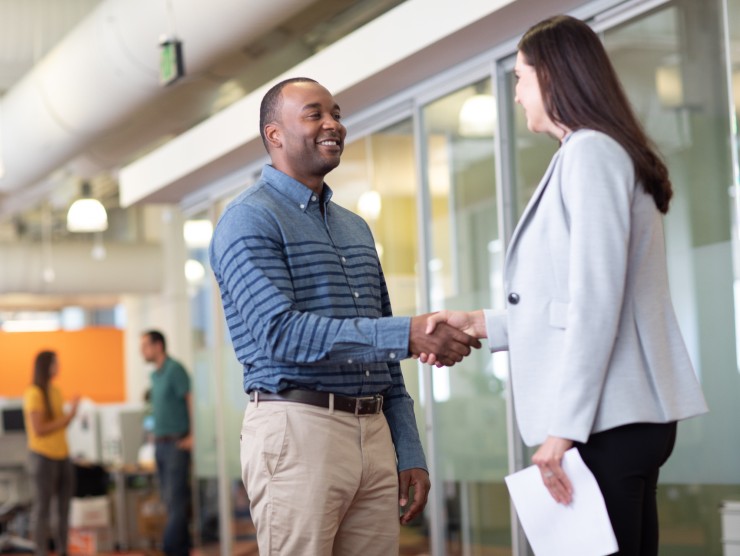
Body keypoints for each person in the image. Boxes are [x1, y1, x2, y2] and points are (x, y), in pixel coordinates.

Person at [423, 15, 708, 555]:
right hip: (621, 418)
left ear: (551, 77)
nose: (516, 96)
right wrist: (481, 323)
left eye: (519, 79)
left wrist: (564, 429)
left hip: (607, 421)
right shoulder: (594, 152)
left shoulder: (590, 153)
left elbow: (597, 300)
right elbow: (570, 301)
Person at [208, 76, 481, 556]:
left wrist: (407, 448)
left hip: (372, 431)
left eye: (335, 113)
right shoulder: (248, 219)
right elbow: (281, 334)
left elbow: (385, 355)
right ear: (274, 134)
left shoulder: (354, 228)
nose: (333, 124)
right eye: (314, 114)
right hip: (297, 429)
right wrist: (410, 333)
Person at [140, 330, 192, 556]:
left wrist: (194, 435)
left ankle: (169, 550)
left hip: (176, 444)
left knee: (176, 501)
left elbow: (191, 399)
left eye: (145, 346)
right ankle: (182, 549)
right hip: (160, 445)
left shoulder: (174, 370)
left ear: (158, 345)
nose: (142, 351)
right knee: (169, 502)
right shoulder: (155, 375)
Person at [22, 350, 79, 556]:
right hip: (42, 456)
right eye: (56, 363)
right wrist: (68, 416)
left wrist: (72, 414)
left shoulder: (55, 391)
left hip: (62, 455)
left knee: (63, 510)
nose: (58, 367)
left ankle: (63, 550)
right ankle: (40, 551)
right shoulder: (34, 393)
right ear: (46, 366)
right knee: (42, 509)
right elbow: (39, 428)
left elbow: (61, 424)